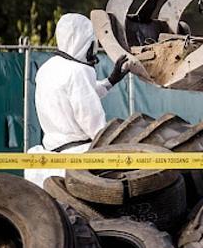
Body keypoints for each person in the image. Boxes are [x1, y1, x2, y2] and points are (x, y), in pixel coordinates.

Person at [24, 13, 130, 187]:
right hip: (79, 157)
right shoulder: (77, 71)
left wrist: (111, 81)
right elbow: (90, 118)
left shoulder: (47, 68)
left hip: (52, 153)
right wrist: (109, 142)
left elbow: (75, 94)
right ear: (84, 41)